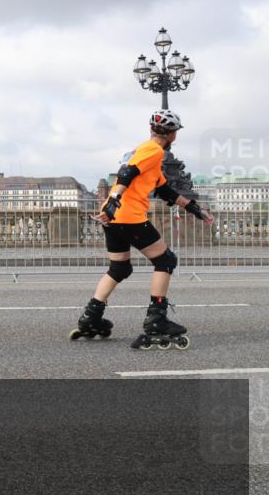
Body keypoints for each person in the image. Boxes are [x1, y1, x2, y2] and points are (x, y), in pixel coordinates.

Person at [72, 109, 215, 349]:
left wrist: (195, 209)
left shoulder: (147, 155)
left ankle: (91, 317)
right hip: (128, 215)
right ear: (173, 134)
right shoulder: (153, 150)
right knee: (165, 260)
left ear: (151, 129)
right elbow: (127, 173)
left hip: (113, 218)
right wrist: (115, 200)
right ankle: (156, 320)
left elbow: (165, 191)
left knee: (119, 268)